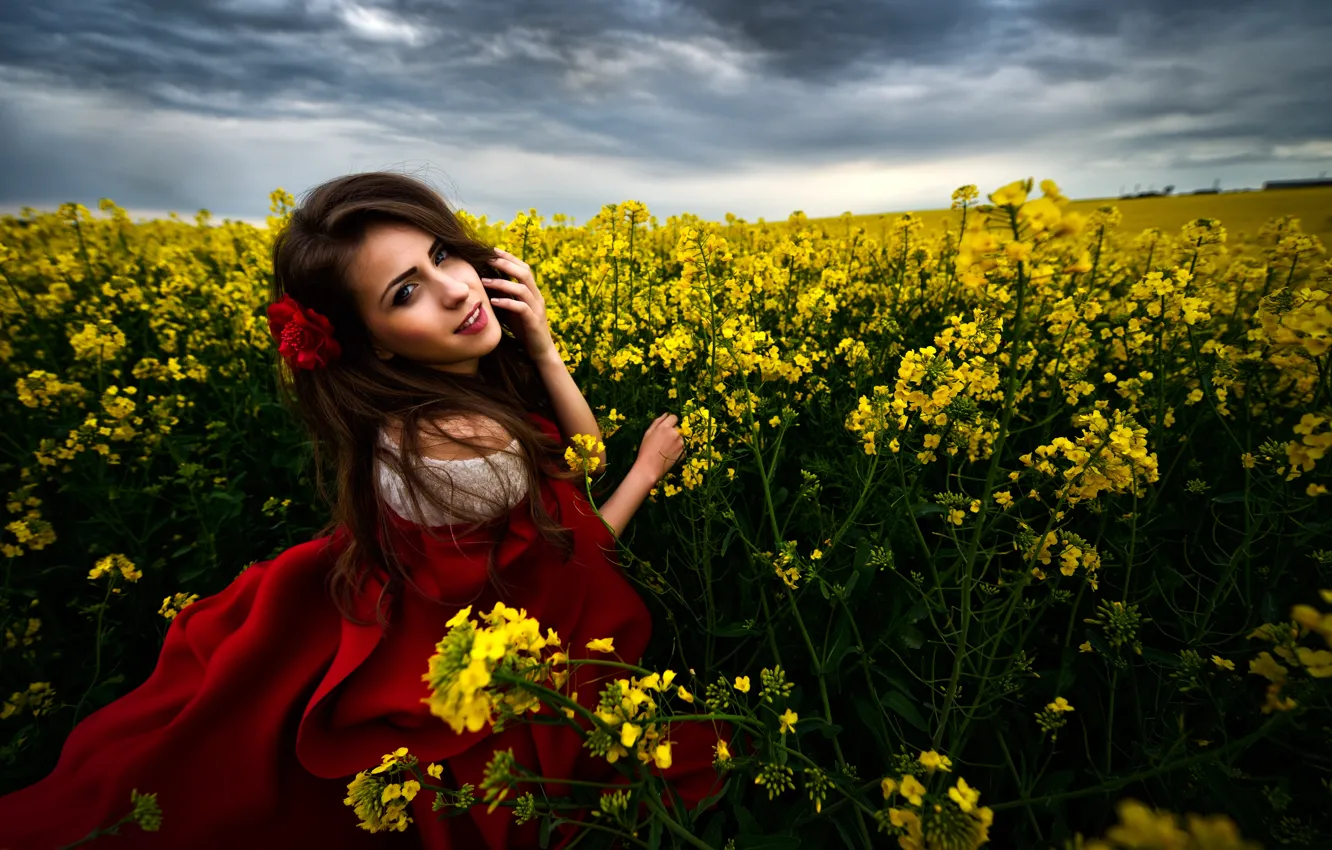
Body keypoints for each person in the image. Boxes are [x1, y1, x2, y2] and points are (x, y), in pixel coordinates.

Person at [0, 172, 724, 849]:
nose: (453, 289)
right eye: (405, 292)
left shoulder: (417, 410)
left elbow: (573, 469)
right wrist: (648, 472)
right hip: (478, 668)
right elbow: (577, 539)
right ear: (371, 345)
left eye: (442, 255)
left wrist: (539, 344)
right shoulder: (464, 442)